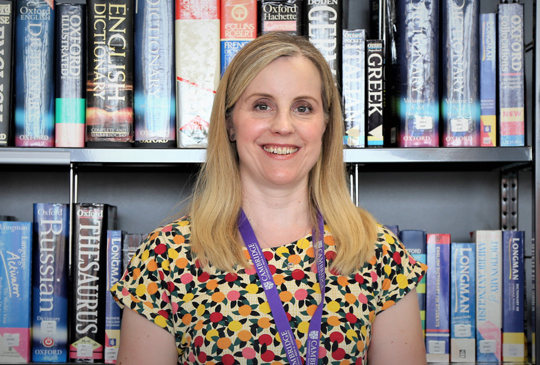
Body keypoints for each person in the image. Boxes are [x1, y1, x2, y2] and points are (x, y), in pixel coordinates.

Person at [111, 32, 426, 364]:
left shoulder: (376, 251)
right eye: (262, 105)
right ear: (230, 123)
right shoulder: (165, 255)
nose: (283, 126)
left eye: (303, 108)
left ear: (325, 125)